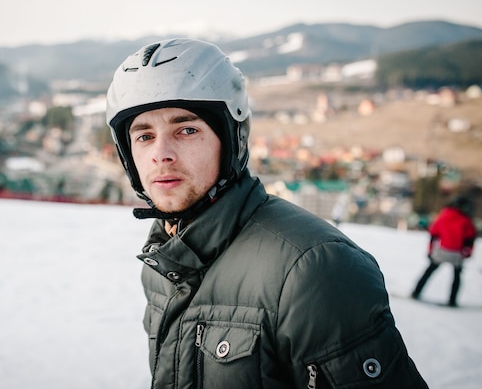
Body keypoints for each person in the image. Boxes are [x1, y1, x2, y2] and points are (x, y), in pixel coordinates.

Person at [106, 38, 428, 388]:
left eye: (187, 130)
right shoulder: (163, 263)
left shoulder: (315, 270)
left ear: (232, 140)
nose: (161, 154)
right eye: (144, 136)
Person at [412, 196, 477, 307]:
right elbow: (470, 238)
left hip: (442, 251)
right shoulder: (465, 220)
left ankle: (416, 292)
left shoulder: (443, 215)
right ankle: (452, 300)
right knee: (457, 276)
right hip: (457, 253)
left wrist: (430, 250)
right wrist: (469, 252)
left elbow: (433, 234)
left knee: (429, 271)